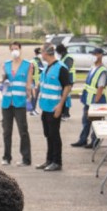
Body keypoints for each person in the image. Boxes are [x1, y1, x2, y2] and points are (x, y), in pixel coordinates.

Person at [35, 44, 74, 172]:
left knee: (54, 134)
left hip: (55, 107)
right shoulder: (47, 67)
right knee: (48, 135)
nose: (41, 55)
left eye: (42, 52)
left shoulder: (61, 68)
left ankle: (57, 162)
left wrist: (60, 105)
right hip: (45, 107)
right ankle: (49, 159)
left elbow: (67, 87)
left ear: (46, 53)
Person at [0, 41, 35, 166]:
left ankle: (26, 158)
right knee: (6, 131)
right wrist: (3, 83)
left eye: (16, 48)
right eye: (12, 49)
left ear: (20, 49)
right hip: (7, 102)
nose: (14, 50)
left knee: (23, 131)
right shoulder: (6, 65)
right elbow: (3, 80)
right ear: (10, 50)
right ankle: (6, 157)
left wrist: (30, 98)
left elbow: (29, 84)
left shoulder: (27, 65)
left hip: (20, 103)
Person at [71, 47, 107, 149]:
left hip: (96, 101)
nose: (93, 56)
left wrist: (95, 103)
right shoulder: (93, 67)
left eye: (95, 54)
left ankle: (94, 141)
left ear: (100, 55)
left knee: (95, 123)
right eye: (92, 54)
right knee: (85, 121)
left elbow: (100, 88)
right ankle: (83, 140)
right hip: (88, 100)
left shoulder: (102, 70)